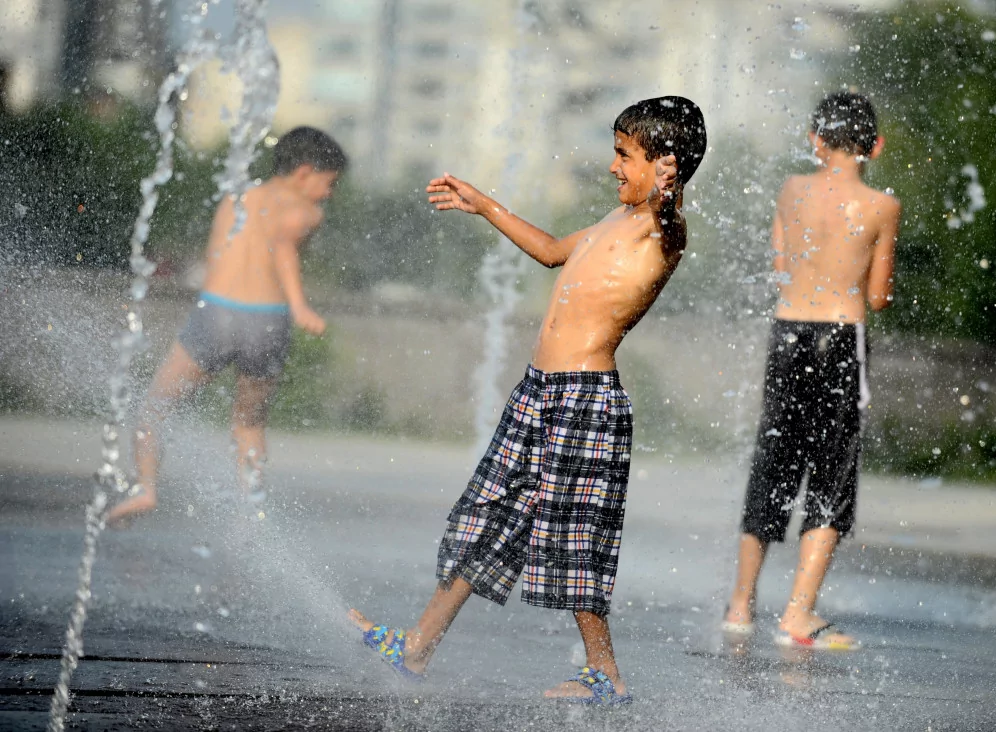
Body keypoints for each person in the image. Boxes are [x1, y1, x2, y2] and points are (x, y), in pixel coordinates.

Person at [347, 96, 706, 704]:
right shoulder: (611, 223)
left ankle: (605, 674)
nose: (613, 166)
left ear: (664, 166)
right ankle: (418, 646)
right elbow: (548, 251)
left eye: (625, 155)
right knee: (487, 515)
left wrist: (667, 195)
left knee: (572, 534)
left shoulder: (661, 231)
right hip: (538, 392)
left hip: (584, 401)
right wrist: (483, 204)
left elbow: (668, 222)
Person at [721, 92, 901, 650]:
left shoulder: (791, 191)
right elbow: (877, 297)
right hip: (841, 339)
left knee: (773, 460)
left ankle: (740, 604)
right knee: (831, 471)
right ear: (875, 145)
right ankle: (798, 614)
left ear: (815, 141)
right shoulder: (881, 207)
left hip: (788, 332)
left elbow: (780, 263)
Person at [105, 126, 345, 525]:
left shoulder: (237, 198)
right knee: (248, 422)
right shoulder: (306, 211)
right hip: (267, 321)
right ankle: (250, 509)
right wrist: (299, 305)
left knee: (155, 408)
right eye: (329, 182)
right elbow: (283, 244)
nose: (330, 193)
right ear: (304, 173)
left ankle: (146, 488)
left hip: (217, 313)